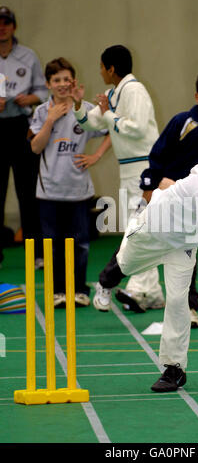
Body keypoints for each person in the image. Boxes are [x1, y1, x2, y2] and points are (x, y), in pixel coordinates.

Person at [92, 118, 198, 392]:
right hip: (151, 231)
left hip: (183, 244)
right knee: (125, 263)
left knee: (178, 301)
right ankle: (106, 280)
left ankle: (173, 368)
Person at [116, 69, 198, 328]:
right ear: (196, 95)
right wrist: (151, 185)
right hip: (168, 194)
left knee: (187, 254)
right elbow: (158, 154)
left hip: (194, 204)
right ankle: (138, 288)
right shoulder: (182, 121)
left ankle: (189, 308)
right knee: (146, 239)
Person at [70, 44, 165, 312]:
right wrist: (79, 104)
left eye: (101, 67)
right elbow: (92, 123)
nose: (99, 71)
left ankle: (135, 288)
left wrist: (109, 113)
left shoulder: (134, 90)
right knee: (138, 228)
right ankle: (153, 292)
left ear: (111, 68)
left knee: (139, 229)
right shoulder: (114, 93)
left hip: (145, 167)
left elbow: (134, 128)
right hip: (129, 169)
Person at [29, 57, 108, 308]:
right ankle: (57, 292)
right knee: (52, 247)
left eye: (66, 79)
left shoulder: (83, 109)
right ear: (48, 84)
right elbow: (35, 147)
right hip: (49, 191)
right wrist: (50, 120)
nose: (62, 84)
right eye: (56, 80)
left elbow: (110, 131)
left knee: (79, 244)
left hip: (78, 191)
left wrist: (95, 156)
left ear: (73, 81)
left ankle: (78, 290)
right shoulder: (41, 111)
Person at [0, 6, 48, 268]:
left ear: (14, 27)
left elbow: (42, 89)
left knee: (27, 191)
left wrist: (29, 97)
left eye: (6, 23)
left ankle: (37, 252)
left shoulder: (27, 56)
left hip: (22, 126)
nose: (2, 27)